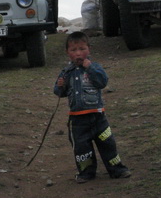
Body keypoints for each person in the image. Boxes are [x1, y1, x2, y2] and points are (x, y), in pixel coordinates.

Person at [54, 31, 131, 183]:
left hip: (98, 117)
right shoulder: (66, 72)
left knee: (107, 143)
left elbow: (102, 82)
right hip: (77, 120)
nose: (78, 53)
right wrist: (60, 86)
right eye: (74, 50)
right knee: (82, 149)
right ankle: (86, 173)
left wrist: (90, 68)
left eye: (82, 49)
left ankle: (117, 169)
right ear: (67, 53)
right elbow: (58, 92)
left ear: (89, 49)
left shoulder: (95, 67)